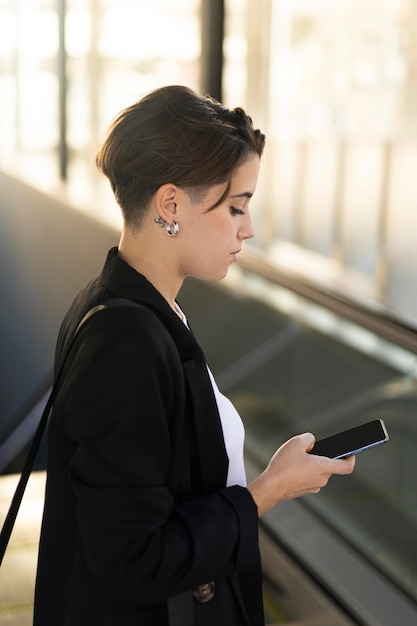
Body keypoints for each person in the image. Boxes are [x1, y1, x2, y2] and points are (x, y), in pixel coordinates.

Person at [33, 85, 355, 626]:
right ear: (171, 204)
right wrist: (266, 493)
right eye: (236, 207)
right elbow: (132, 560)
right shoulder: (126, 344)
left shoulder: (125, 304)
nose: (248, 228)